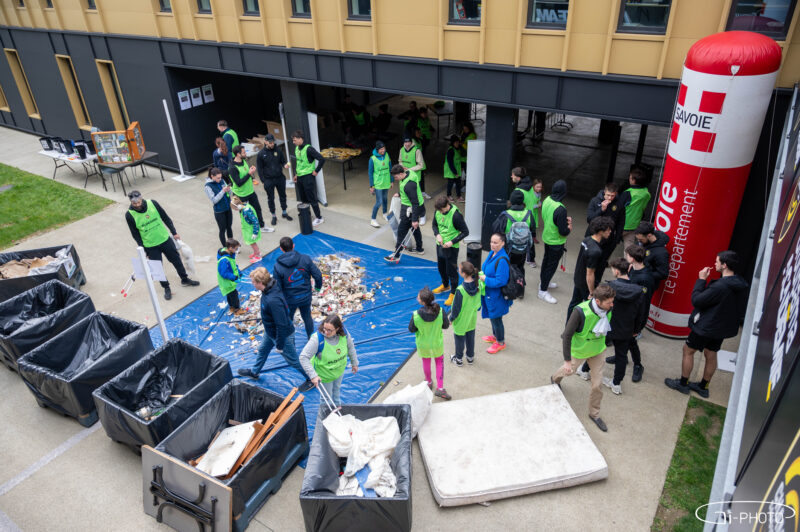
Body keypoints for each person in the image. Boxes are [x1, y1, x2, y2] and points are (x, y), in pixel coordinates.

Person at [665, 251, 748, 398]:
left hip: (706, 327)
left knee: (688, 351)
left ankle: (683, 384)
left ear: (724, 265)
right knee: (711, 353)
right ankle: (704, 387)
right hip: (721, 329)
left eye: (717, 261)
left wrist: (701, 280)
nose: (714, 264)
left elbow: (697, 300)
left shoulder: (720, 286)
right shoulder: (740, 283)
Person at [237, 267, 314, 392]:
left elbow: (282, 324)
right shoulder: (270, 286)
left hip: (282, 336)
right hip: (270, 331)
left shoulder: (273, 300)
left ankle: (311, 378)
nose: (252, 284)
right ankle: (254, 372)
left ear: (260, 283)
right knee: (262, 350)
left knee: (293, 360)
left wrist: (279, 344)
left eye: (253, 282)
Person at [551, 283, 616, 432]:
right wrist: (567, 360)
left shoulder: (609, 308)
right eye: (609, 302)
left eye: (612, 301)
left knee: (597, 384)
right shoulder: (580, 312)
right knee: (569, 371)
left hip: (597, 350)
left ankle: (594, 414)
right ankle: (554, 379)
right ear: (598, 301)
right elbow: (567, 335)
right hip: (579, 350)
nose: (612, 305)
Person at [125, 190, 199, 301]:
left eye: (139, 202)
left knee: (176, 260)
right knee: (157, 269)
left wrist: (174, 232)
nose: (137, 205)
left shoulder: (152, 203)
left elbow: (166, 218)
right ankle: (166, 287)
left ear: (141, 198)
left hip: (164, 239)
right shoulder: (129, 215)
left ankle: (184, 279)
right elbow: (135, 234)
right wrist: (144, 250)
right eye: (134, 203)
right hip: (150, 245)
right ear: (131, 202)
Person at [599, 258, 648, 393]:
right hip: (626, 329)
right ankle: (616, 384)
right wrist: (636, 330)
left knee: (596, 349)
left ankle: (585, 370)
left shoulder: (610, 287)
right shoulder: (639, 292)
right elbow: (641, 313)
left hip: (607, 326)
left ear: (616, 270)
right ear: (629, 269)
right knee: (621, 356)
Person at [299, 314, 359, 407]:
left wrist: (354, 363)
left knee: (336, 391)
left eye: (329, 330)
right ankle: (325, 416)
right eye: (324, 328)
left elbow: (350, 347)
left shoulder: (344, 334)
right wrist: (313, 376)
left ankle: (337, 409)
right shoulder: (317, 339)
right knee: (326, 399)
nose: (326, 332)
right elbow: (303, 357)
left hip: (339, 371)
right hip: (325, 376)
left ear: (338, 329)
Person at [273, 236, 323, 340]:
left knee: (289, 319)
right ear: (293, 246)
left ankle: (290, 343)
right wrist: (317, 288)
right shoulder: (305, 259)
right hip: (305, 296)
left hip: (290, 300)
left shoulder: (278, 266)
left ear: (281, 249)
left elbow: (277, 287)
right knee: (307, 317)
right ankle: (311, 340)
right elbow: (318, 275)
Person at [567, 217, 614, 321]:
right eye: (608, 229)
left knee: (574, 303)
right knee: (590, 309)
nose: (610, 232)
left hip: (578, 278)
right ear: (601, 231)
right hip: (586, 284)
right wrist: (592, 292)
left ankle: (569, 325)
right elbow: (590, 273)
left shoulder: (587, 240)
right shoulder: (595, 251)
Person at [409, 287, 452, 400]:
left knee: (426, 361)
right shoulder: (441, 311)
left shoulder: (416, 315)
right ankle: (440, 388)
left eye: (418, 296)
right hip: (437, 343)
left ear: (422, 301)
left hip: (423, 344)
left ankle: (428, 381)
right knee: (439, 363)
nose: (417, 298)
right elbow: (446, 326)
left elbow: (411, 329)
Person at [492, 190, 532, 295]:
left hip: (509, 249)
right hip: (523, 249)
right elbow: (532, 229)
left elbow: (495, 228)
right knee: (520, 268)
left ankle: (509, 290)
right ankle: (520, 291)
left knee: (507, 268)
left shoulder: (506, 214)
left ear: (511, 201)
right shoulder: (528, 213)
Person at [538, 179, 571, 304]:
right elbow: (563, 231)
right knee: (551, 266)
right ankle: (543, 291)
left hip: (547, 237)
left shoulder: (547, 200)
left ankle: (544, 282)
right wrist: (569, 228)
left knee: (546, 262)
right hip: (556, 242)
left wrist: (562, 221)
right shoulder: (561, 209)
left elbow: (550, 217)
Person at [432, 195, 469, 306]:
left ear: (447, 205)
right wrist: (437, 234)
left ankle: (453, 293)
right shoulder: (438, 211)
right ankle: (445, 285)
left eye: (442, 210)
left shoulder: (456, 215)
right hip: (440, 244)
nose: (440, 212)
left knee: (451, 271)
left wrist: (452, 242)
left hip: (451, 248)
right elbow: (434, 225)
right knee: (441, 267)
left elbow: (465, 232)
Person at [585, 182, 625, 281]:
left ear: (616, 194)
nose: (610, 198)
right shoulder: (595, 201)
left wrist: (616, 240)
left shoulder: (619, 205)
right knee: (588, 261)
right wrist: (601, 209)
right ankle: (585, 280)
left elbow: (620, 223)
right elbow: (590, 219)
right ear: (604, 192)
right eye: (608, 195)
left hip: (608, 241)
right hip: (593, 237)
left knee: (602, 263)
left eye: (612, 195)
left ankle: (596, 282)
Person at [480, 233, 512, 354]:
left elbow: (501, 281)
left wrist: (485, 279)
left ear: (503, 243)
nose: (492, 245)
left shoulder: (502, 260)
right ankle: (495, 336)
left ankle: (500, 342)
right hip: (490, 294)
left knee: (496, 319)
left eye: (495, 243)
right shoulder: (492, 253)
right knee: (493, 317)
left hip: (496, 296)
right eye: (491, 242)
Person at [385, 165, 425, 261]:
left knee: (402, 230)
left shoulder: (409, 186)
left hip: (409, 209)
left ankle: (397, 254)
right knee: (414, 228)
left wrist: (415, 219)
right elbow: (411, 192)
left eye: (395, 177)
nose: (395, 179)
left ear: (401, 173)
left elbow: (414, 202)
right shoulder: (410, 173)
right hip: (416, 205)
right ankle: (419, 248)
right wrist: (399, 193)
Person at [288, 130, 326, 227]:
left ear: (301, 139)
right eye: (293, 140)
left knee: (312, 198)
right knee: (303, 199)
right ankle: (307, 214)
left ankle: (319, 218)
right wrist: (296, 174)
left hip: (308, 177)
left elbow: (321, 159)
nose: (293, 142)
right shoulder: (297, 149)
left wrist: (316, 171)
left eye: (295, 140)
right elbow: (299, 163)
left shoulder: (309, 149)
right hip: (300, 177)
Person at [256, 133, 293, 226]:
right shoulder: (261, 154)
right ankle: (273, 216)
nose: (272, 144)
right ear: (265, 142)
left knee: (283, 195)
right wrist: (263, 181)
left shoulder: (278, 150)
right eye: (270, 143)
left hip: (280, 177)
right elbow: (259, 169)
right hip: (268, 180)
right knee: (271, 198)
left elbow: (283, 161)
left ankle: (284, 212)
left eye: (273, 142)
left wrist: (285, 165)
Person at [449, 261, 481, 367]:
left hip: (461, 320)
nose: (458, 270)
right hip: (472, 318)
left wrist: (451, 319)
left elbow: (456, 308)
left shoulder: (460, 290)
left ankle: (458, 359)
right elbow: (479, 303)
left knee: (459, 339)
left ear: (463, 273)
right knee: (470, 337)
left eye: (459, 269)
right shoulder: (478, 284)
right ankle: (470, 357)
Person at [230, 144, 266, 229]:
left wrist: (252, 177)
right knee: (244, 213)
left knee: (257, 209)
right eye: (243, 152)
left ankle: (261, 226)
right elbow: (238, 183)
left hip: (250, 191)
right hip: (240, 195)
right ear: (238, 154)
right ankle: (248, 228)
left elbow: (246, 173)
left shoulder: (244, 161)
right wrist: (249, 173)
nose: (245, 153)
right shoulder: (232, 168)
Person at [620, 167, 652, 250]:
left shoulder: (628, 193)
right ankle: (628, 263)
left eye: (630, 178)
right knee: (629, 248)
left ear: (634, 181)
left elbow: (619, 208)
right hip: (634, 225)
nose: (629, 179)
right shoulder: (647, 193)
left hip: (622, 224)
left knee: (609, 245)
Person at [634, 221, 670, 291]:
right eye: (637, 239)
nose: (638, 241)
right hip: (636, 279)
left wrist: (643, 274)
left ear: (649, 235)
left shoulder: (661, 253)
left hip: (646, 285)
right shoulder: (642, 242)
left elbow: (663, 273)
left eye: (641, 239)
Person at [205, 167, 233, 248]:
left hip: (228, 208)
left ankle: (232, 245)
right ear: (212, 176)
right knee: (222, 230)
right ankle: (225, 247)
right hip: (219, 211)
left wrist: (228, 189)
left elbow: (229, 193)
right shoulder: (208, 186)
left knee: (229, 227)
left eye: (221, 177)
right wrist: (223, 191)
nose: (220, 179)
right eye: (218, 178)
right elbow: (214, 200)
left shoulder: (221, 180)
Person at [231, 195, 263, 263]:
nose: (235, 210)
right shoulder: (244, 207)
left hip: (251, 230)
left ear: (238, 206)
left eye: (235, 208)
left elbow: (255, 221)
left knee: (253, 244)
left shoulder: (247, 211)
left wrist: (255, 232)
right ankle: (256, 253)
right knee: (252, 243)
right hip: (247, 230)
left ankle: (258, 255)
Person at [217, 238, 244, 316]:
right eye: (236, 249)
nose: (236, 250)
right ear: (230, 248)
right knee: (234, 295)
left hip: (229, 281)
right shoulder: (224, 260)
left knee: (229, 294)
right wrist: (234, 277)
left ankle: (231, 307)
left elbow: (234, 265)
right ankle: (237, 309)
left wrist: (239, 272)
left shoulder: (230, 255)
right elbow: (224, 273)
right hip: (227, 282)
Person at [369, 140, 392, 227]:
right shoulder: (372, 159)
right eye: (381, 149)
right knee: (379, 202)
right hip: (378, 183)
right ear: (377, 149)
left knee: (385, 199)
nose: (383, 151)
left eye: (384, 148)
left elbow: (390, 168)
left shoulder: (387, 155)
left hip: (386, 182)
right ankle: (373, 219)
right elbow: (370, 173)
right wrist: (371, 186)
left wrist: (391, 180)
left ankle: (385, 214)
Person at [412, 128, 431, 199]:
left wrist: (424, 137)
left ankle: (422, 192)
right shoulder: (412, 141)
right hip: (415, 164)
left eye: (420, 132)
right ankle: (415, 193)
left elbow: (425, 146)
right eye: (418, 132)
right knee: (415, 178)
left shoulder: (420, 140)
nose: (419, 133)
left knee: (422, 178)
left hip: (421, 162)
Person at [444, 136, 463, 201]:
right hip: (451, 171)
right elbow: (450, 163)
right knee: (450, 183)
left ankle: (459, 196)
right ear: (453, 143)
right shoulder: (451, 150)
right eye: (456, 142)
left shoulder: (458, 149)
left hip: (457, 169)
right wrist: (455, 172)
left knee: (458, 183)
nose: (457, 143)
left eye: (458, 142)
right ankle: (448, 195)